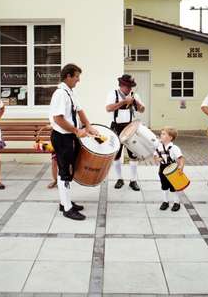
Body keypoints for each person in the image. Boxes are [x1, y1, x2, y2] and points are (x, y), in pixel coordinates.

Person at [49, 63, 98, 220]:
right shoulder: (60, 94)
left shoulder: (69, 92)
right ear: (68, 76)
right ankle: (67, 208)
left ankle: (66, 202)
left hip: (69, 136)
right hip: (62, 137)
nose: (78, 80)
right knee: (65, 171)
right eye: (76, 76)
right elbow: (58, 119)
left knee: (69, 169)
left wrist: (88, 126)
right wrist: (77, 131)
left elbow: (79, 110)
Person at [106, 74, 145, 191]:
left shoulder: (134, 95)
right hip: (116, 127)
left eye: (131, 86)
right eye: (128, 86)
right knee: (116, 155)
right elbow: (108, 108)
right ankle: (119, 179)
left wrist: (136, 102)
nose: (129, 89)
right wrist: (123, 102)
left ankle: (133, 181)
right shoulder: (113, 94)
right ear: (121, 85)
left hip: (131, 127)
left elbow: (142, 110)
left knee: (133, 155)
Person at [154, 127, 184, 211]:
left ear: (170, 137)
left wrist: (181, 167)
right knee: (164, 186)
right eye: (161, 133)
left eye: (164, 134)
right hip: (162, 168)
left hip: (173, 168)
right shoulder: (158, 147)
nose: (161, 135)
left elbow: (181, 158)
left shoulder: (174, 148)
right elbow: (155, 156)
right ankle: (165, 202)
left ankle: (176, 202)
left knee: (174, 186)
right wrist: (157, 159)